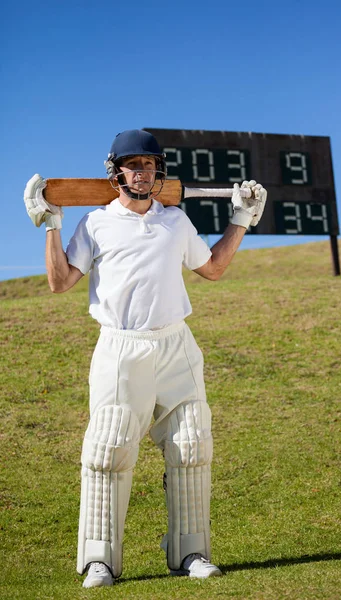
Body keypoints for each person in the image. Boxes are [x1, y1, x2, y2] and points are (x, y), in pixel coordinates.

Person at [23, 129, 267, 588]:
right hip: (120, 348)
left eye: (151, 165)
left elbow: (211, 269)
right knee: (109, 449)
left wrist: (241, 219)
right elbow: (60, 282)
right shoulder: (95, 223)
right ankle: (100, 561)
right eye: (134, 165)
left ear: (159, 172)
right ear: (115, 171)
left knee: (192, 445)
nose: (143, 173)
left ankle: (191, 553)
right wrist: (51, 224)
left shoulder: (175, 221)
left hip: (177, 345)